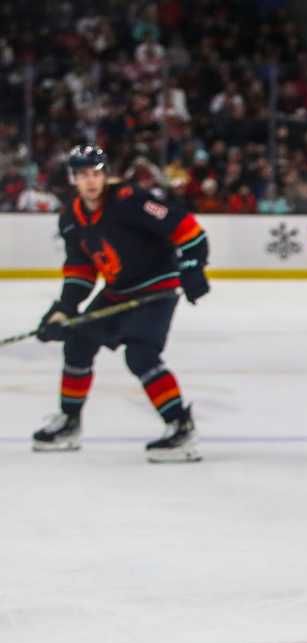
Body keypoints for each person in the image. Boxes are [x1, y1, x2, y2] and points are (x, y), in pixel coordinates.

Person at [32, 144, 209, 462]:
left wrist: (193, 268)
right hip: (119, 290)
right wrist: (64, 309)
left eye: (96, 174)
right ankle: (69, 423)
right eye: (83, 175)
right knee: (77, 341)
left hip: (156, 287)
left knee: (141, 355)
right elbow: (81, 269)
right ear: (73, 178)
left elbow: (187, 229)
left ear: (106, 175)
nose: (91, 181)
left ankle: (180, 426)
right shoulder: (71, 218)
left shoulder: (130, 201)